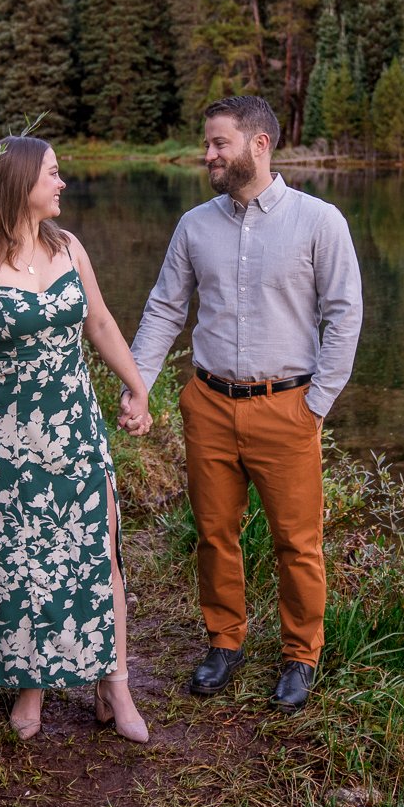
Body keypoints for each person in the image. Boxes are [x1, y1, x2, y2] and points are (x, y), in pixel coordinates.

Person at [122, 96, 362, 712]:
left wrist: (319, 403)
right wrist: (138, 382)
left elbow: (344, 314)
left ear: (259, 145)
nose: (208, 156)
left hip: (287, 406)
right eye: (207, 144)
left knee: (297, 542)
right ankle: (223, 643)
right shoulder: (195, 226)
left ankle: (299, 656)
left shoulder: (319, 221)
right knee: (213, 533)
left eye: (219, 144)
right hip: (209, 404)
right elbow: (165, 309)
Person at [0, 135, 151, 742]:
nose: (62, 184)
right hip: (4, 435)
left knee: (98, 554)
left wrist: (137, 387)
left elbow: (100, 322)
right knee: (25, 560)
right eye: (53, 174)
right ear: (21, 184)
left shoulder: (69, 247)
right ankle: (30, 688)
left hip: (76, 427)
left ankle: (114, 685)